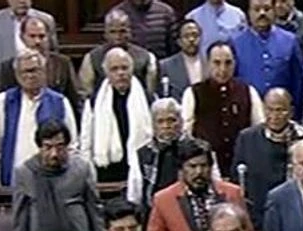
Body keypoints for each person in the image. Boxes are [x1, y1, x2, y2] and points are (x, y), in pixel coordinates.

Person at [145, 136, 248, 231]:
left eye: (203, 166)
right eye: (192, 166)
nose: (199, 172)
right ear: (181, 169)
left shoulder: (232, 193)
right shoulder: (164, 199)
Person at [0, 49, 79, 188]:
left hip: (53, 182)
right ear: (17, 75)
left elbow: (72, 146)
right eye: (25, 71)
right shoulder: (3, 101)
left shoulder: (60, 101)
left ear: (44, 72)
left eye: (35, 70)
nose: (30, 76)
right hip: (14, 180)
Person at [181, 40, 264, 176]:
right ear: (208, 64)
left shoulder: (247, 91)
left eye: (228, 63)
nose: (222, 69)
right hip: (207, 170)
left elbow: (258, 130)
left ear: (235, 63)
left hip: (241, 167)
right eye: (217, 63)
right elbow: (186, 134)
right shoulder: (193, 93)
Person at [12, 120, 102, 231]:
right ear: (40, 147)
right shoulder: (25, 172)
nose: (54, 154)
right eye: (48, 147)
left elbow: (94, 209)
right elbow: (20, 217)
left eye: (60, 146)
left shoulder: (82, 168)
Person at [231, 88, 303, 228]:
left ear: (291, 111)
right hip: (258, 217)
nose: (274, 115)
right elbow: (236, 179)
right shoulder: (247, 138)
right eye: (269, 110)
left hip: (293, 216)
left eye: (280, 110)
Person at [130, 97, 221, 212]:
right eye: (160, 121)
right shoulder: (143, 154)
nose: (166, 126)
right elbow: (135, 193)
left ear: (181, 121)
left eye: (172, 120)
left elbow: (216, 182)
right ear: (153, 124)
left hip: (194, 210)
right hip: (155, 211)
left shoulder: (200, 149)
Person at [80, 47, 153, 183]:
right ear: (106, 72)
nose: (121, 73)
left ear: (132, 70)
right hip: (107, 171)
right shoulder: (94, 101)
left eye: (124, 68)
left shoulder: (147, 99)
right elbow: (86, 141)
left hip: (140, 168)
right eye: (114, 69)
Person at [232, 0, 303, 119]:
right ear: (249, 13)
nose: (262, 13)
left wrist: (297, 115)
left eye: (267, 9)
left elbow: (298, 82)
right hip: (247, 114)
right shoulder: (236, 43)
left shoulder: (290, 41)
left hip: (282, 115)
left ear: (274, 10)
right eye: (256, 9)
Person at [0, 17, 81, 114]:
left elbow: (74, 100)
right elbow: (4, 102)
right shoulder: (8, 67)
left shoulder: (62, 63)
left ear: (49, 37)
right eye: (32, 36)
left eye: (42, 36)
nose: (37, 41)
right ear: (22, 37)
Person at [78, 10, 157, 98]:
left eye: (122, 31)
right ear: (105, 33)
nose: (118, 36)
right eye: (113, 32)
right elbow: (86, 93)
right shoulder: (92, 58)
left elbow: (151, 93)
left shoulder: (145, 57)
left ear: (130, 32)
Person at [0, 0, 57, 93]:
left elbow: (53, 53)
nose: (22, 1)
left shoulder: (46, 19)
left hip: (42, 85)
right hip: (7, 83)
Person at [111, 0, 178, 59]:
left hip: (161, 65)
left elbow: (174, 47)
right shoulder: (117, 13)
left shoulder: (166, 12)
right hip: (129, 67)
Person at [158, 19, 205, 99]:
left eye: (195, 35)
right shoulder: (166, 66)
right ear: (179, 41)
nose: (191, 39)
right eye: (186, 36)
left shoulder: (210, 62)